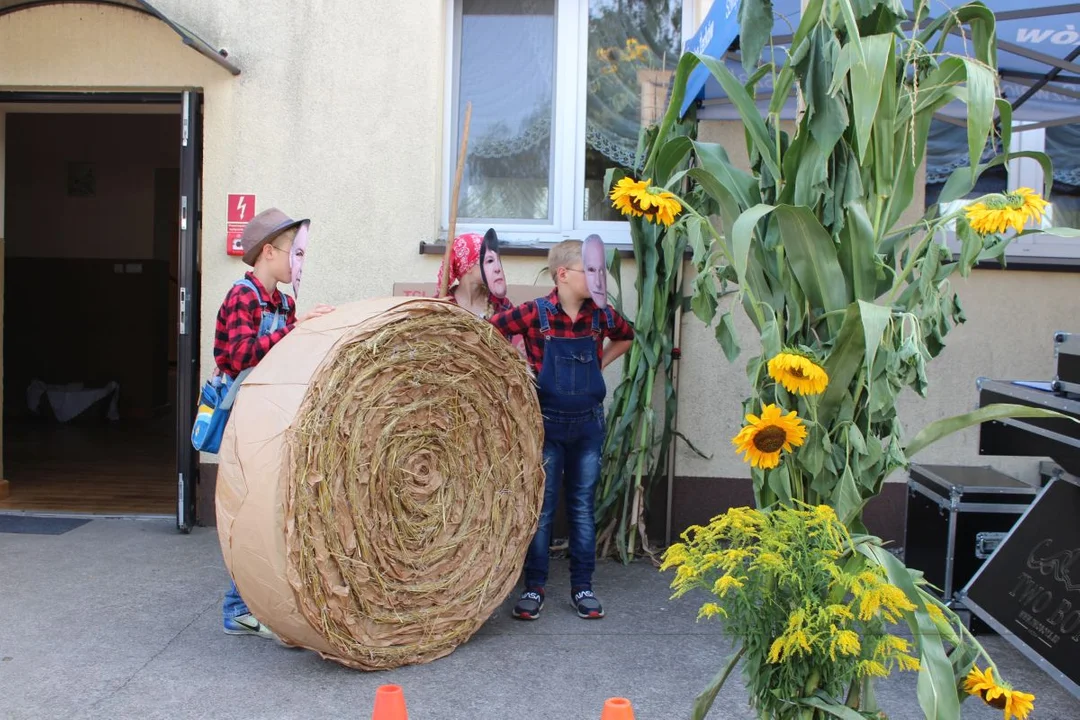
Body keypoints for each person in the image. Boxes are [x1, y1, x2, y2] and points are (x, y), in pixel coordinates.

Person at [489, 238, 633, 620]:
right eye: (589, 270)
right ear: (563, 275)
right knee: (543, 508)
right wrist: (517, 371)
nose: (597, 277)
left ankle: (582, 586)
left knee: (583, 509)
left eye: (598, 270)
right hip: (546, 426)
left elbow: (627, 335)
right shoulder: (536, 312)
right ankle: (534, 588)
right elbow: (490, 331)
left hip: (588, 427)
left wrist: (600, 361)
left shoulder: (601, 315)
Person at [213, 207, 334, 638]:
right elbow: (242, 355)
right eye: (295, 253)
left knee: (274, 506)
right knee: (250, 508)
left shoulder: (283, 301)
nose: (299, 263)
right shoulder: (243, 297)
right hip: (241, 413)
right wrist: (294, 329)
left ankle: (266, 600)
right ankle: (237, 607)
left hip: (270, 413)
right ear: (269, 252)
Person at [437, 229, 512, 318]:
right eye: (489, 261)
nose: (497, 268)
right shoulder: (441, 305)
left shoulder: (500, 304)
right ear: (468, 267)